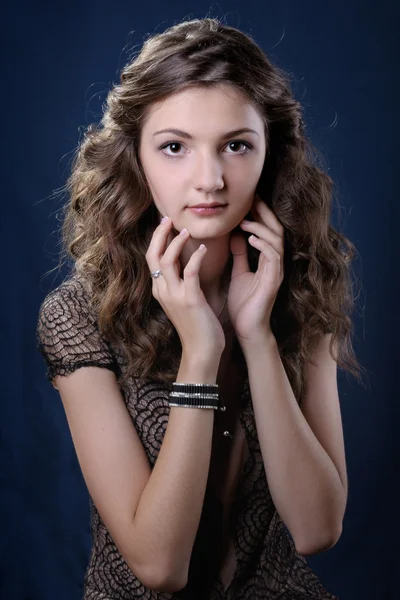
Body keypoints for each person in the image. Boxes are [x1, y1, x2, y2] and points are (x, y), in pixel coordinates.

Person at [36, 17, 365, 600]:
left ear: (270, 153)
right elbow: (160, 567)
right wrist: (202, 352)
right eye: (174, 147)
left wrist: (257, 335)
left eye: (236, 145)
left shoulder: (304, 287)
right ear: (136, 157)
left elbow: (317, 529)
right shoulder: (77, 315)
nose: (209, 180)